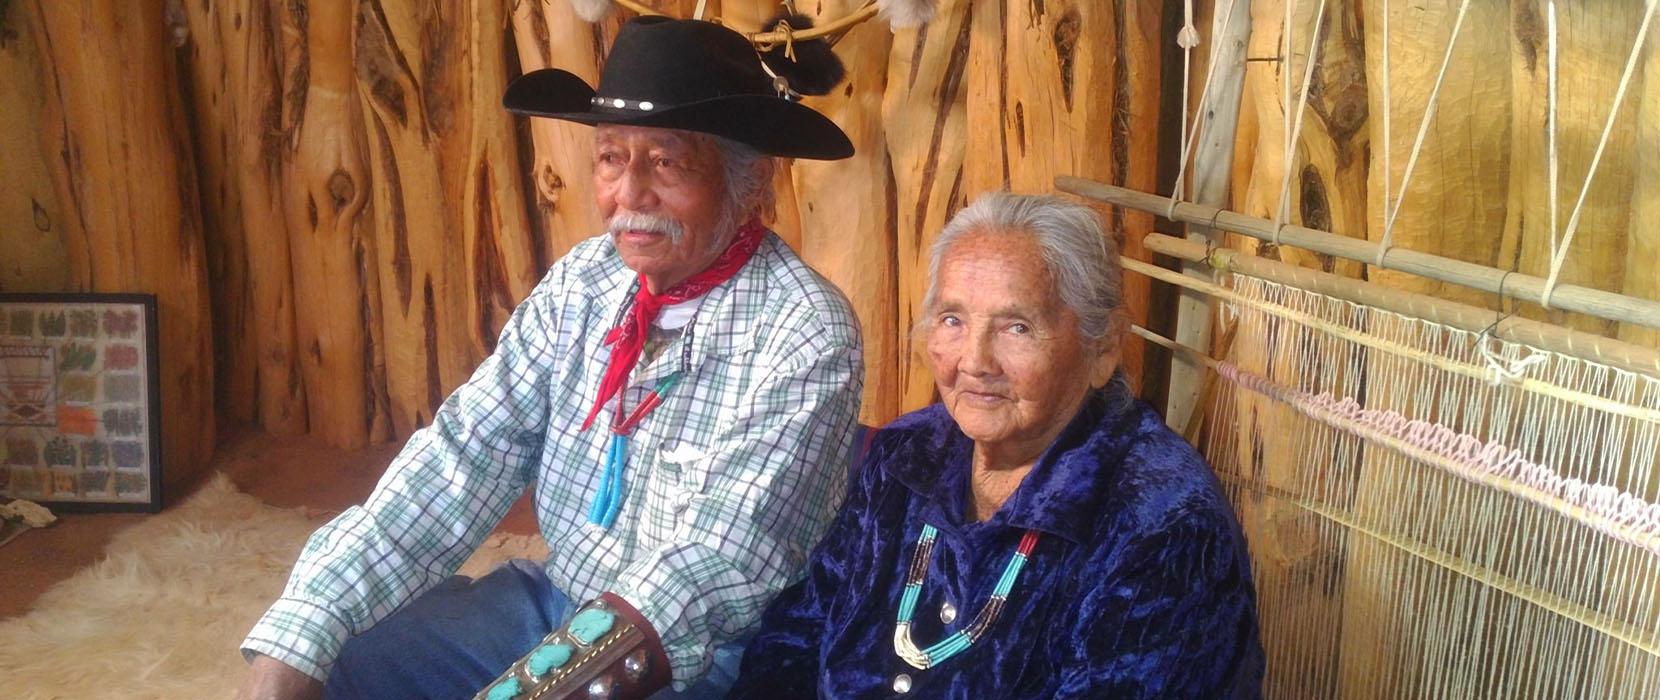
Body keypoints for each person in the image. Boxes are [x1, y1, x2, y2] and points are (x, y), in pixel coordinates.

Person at [235, 17, 864, 700]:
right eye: (611, 157)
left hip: (702, 660)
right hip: (551, 601)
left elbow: (711, 570)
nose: (630, 196)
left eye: (668, 161)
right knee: (336, 657)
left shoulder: (805, 331)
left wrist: (540, 687)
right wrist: (304, 626)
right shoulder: (583, 284)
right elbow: (462, 458)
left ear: (751, 181)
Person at [727, 192, 1263, 698]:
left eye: (1017, 327)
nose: (974, 361)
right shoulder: (906, 455)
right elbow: (797, 632)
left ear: (1102, 349)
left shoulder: (1163, 526)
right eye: (953, 319)